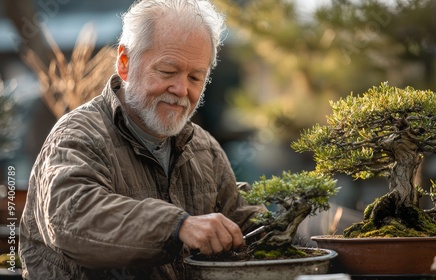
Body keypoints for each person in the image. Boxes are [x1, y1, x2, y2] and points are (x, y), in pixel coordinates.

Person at [19, 0, 266, 279]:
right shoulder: (77, 135)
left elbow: (246, 225)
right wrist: (177, 227)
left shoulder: (205, 149)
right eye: (167, 71)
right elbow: (71, 221)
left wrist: (289, 223)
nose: (181, 89)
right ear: (125, 62)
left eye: (196, 77)